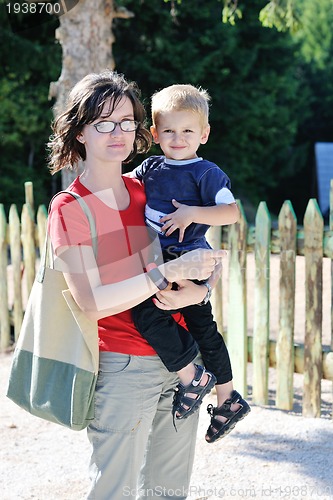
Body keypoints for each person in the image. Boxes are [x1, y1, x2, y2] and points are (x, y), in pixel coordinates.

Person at [47, 70, 225, 500]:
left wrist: (201, 290)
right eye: (103, 122)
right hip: (123, 368)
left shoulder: (150, 188)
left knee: (168, 492)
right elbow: (89, 302)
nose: (118, 132)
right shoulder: (69, 209)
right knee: (115, 491)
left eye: (127, 121)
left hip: (186, 363)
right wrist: (165, 274)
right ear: (80, 132)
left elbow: (198, 260)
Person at [131, 84, 250, 444]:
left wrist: (192, 213)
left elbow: (231, 212)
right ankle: (227, 398)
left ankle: (197, 380)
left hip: (189, 257)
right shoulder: (150, 166)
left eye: (187, 131)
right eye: (168, 130)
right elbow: (120, 185)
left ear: (204, 133)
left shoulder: (207, 173)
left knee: (154, 313)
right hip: (162, 258)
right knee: (197, 325)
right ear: (154, 134)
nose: (178, 138)